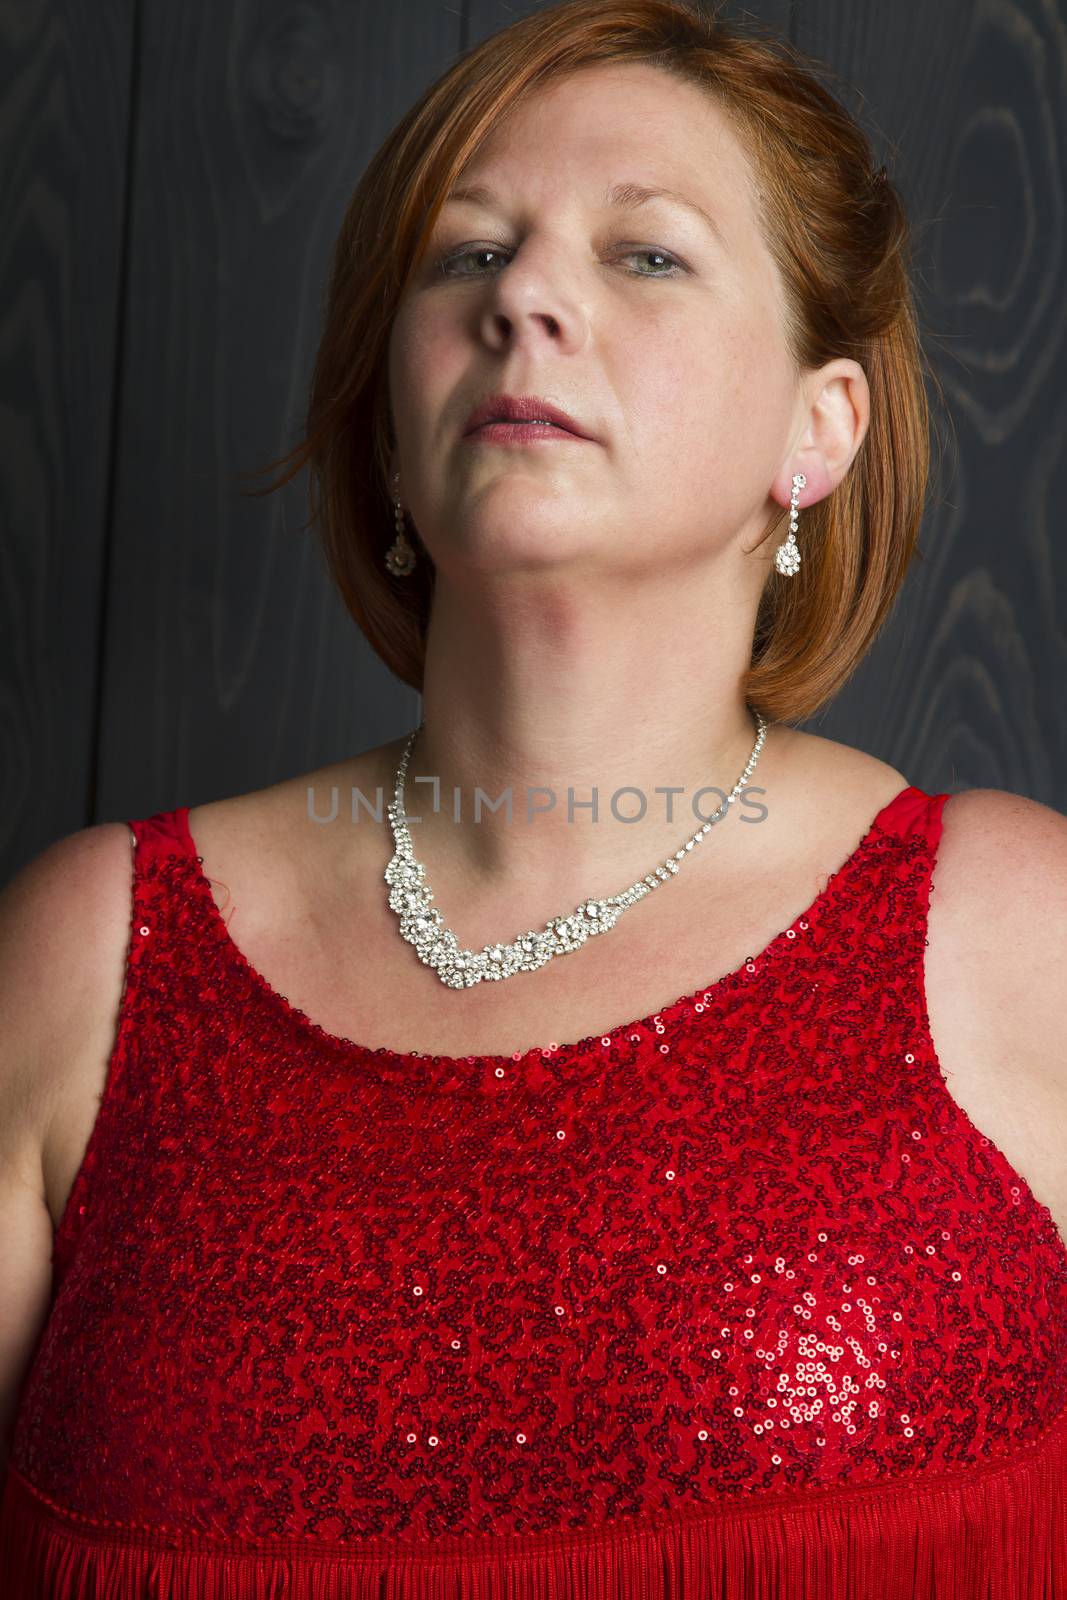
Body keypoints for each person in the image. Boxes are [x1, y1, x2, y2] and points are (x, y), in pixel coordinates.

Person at [2, 0, 1065, 1592]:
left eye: (646, 255)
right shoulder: (89, 957)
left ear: (818, 426)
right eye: (465, 254)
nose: (526, 301)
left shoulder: (1016, 935)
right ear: (387, 406)